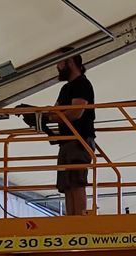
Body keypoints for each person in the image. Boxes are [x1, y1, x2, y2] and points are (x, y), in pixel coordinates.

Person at [48, 53, 96, 215]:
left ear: (70, 62)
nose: (57, 67)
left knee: (76, 182)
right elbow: (55, 112)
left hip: (79, 139)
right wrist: (54, 115)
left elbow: (76, 112)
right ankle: (71, 220)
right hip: (67, 140)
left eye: (60, 62)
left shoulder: (82, 84)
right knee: (67, 184)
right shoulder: (66, 88)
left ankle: (79, 220)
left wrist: (58, 116)